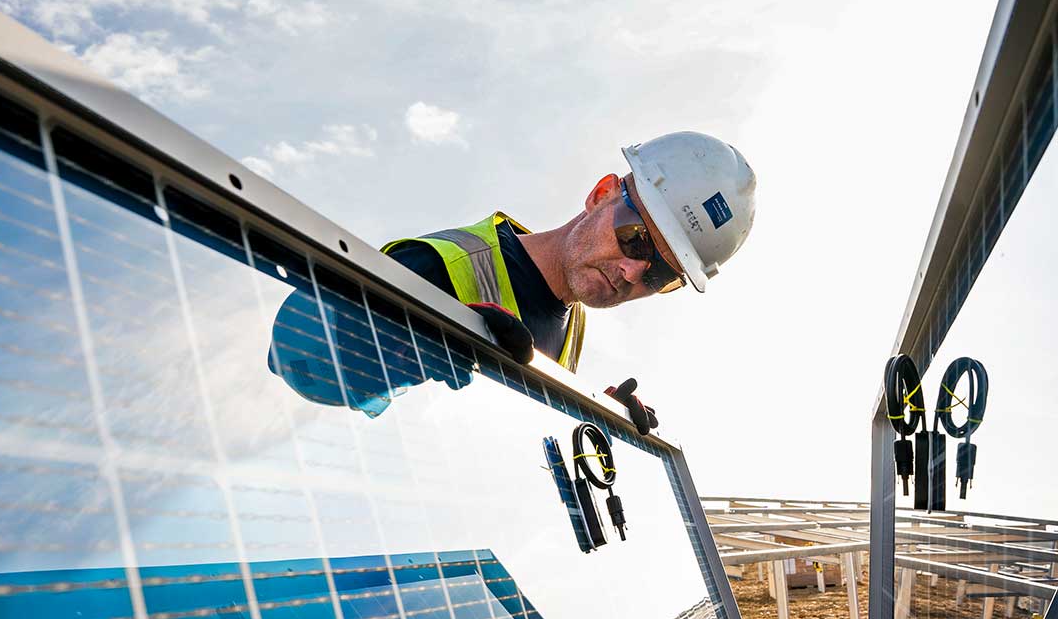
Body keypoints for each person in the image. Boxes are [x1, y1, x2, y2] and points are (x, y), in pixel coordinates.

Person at [270, 130, 757, 419]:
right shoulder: (447, 266)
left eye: (658, 276)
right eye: (634, 238)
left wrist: (599, 418)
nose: (632, 271)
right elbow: (293, 356)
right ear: (601, 193)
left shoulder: (571, 327)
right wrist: (407, 343)